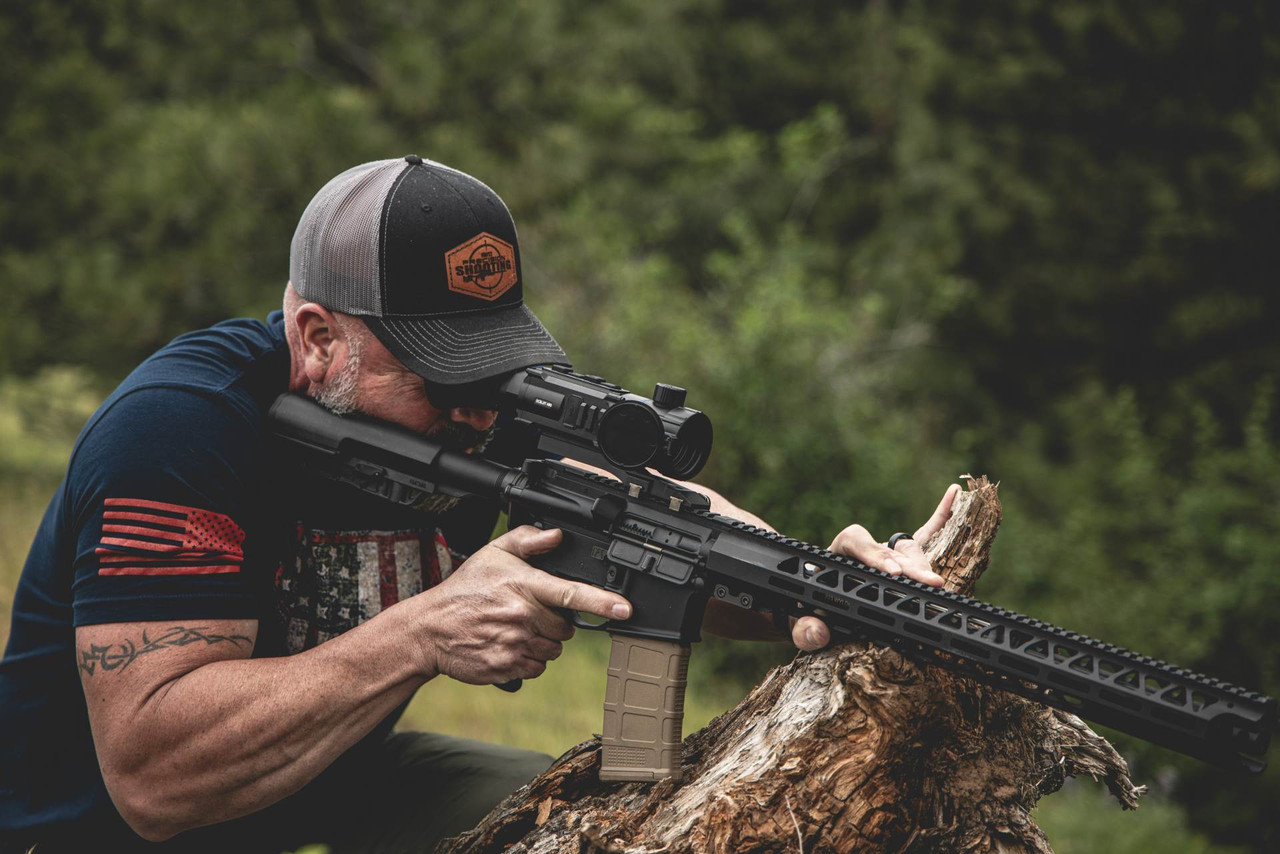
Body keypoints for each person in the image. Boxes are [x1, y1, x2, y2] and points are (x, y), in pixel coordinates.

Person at [0, 156, 957, 853]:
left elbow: (654, 518)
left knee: (635, 836)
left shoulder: (471, 411)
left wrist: (821, 586)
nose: (475, 409)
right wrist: (421, 635)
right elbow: (153, 778)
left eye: (492, 367)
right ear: (318, 337)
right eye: (439, 375)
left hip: (338, 780)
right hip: (91, 832)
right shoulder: (180, 428)